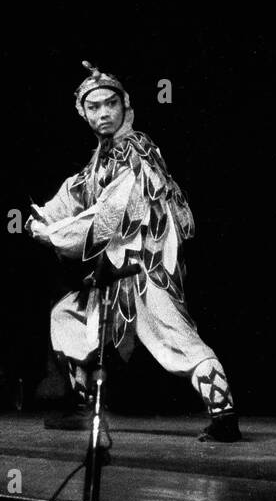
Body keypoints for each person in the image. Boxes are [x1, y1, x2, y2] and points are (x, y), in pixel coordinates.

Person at [25, 61, 241, 443]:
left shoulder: (136, 150)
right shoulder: (100, 159)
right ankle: (85, 408)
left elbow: (107, 214)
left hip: (145, 272)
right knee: (67, 317)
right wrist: (44, 217)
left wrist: (53, 234)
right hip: (115, 278)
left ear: (126, 107)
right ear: (83, 112)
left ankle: (224, 416)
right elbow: (75, 193)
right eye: (94, 107)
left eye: (110, 104)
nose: (103, 113)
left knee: (178, 341)